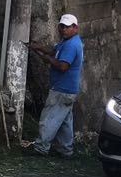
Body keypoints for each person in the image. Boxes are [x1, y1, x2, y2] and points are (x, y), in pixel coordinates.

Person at [26, 14, 84, 158]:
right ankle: (66, 150)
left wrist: (47, 59)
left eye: (67, 27)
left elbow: (63, 66)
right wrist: (37, 48)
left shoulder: (71, 45)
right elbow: (53, 50)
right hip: (68, 90)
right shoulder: (67, 41)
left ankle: (40, 148)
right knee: (64, 121)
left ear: (75, 28)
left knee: (49, 118)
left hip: (62, 89)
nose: (63, 30)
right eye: (62, 26)